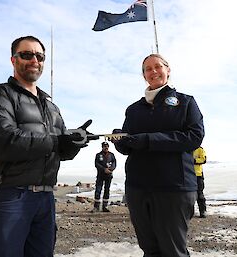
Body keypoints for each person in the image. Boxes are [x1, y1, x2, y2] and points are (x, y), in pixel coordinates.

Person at [0, 36, 93, 257]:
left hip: (45, 199)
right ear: (13, 59)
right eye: (26, 54)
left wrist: (76, 141)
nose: (34, 60)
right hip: (9, 196)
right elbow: (2, 142)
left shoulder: (51, 107)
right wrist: (58, 140)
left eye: (39, 56)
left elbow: (59, 150)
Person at [112, 53, 204, 257]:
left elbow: (194, 137)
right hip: (138, 189)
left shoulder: (186, 102)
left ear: (168, 70)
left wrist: (147, 140)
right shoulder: (134, 109)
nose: (153, 71)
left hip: (174, 188)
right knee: (150, 250)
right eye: (147, 69)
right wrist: (120, 139)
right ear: (143, 75)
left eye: (158, 66)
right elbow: (127, 148)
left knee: (173, 251)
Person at [92, 141, 117, 212]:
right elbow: (96, 164)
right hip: (100, 175)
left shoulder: (111, 155)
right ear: (102, 147)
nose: (106, 147)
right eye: (104, 146)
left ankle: (105, 206)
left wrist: (111, 169)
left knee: (107, 190)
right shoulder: (98, 155)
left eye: (107, 146)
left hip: (109, 175)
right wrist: (104, 169)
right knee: (98, 190)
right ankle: (96, 207)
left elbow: (114, 163)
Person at [193, 146, 207, 218]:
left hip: (198, 175)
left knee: (200, 194)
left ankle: (203, 211)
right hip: (188, 175)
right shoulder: (186, 149)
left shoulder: (200, 149)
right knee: (189, 195)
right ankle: (190, 212)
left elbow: (204, 159)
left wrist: (194, 161)